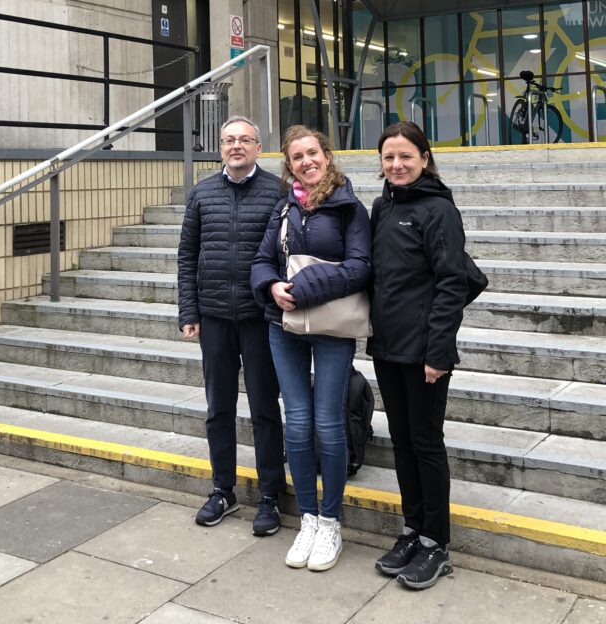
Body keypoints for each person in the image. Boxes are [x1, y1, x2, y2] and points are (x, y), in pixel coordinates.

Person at [251, 125, 372, 572]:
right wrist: (270, 285)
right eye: (296, 156)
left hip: (332, 326)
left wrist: (300, 288)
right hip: (282, 325)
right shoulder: (283, 208)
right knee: (297, 421)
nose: (306, 161)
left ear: (327, 155)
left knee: (328, 421)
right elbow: (262, 260)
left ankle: (331, 520)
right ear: (289, 164)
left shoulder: (349, 207)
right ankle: (307, 518)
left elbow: (360, 267)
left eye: (312, 153)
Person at [369, 121, 469, 591]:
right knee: (403, 441)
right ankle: (413, 530)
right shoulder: (381, 207)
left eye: (406, 156)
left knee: (426, 444)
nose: (397, 165)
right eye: (389, 158)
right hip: (388, 346)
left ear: (425, 158)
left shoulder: (438, 211)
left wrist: (438, 351)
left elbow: (452, 283)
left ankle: (437, 544)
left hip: (425, 351)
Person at [177, 115, 287, 536]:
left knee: (264, 409)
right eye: (229, 140)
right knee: (218, 409)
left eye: (245, 140)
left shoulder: (277, 191)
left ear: (259, 147)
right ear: (220, 147)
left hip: (261, 319)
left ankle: (271, 496)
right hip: (215, 317)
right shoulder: (202, 192)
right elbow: (187, 256)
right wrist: (189, 311)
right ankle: (222, 489)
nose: (236, 146)